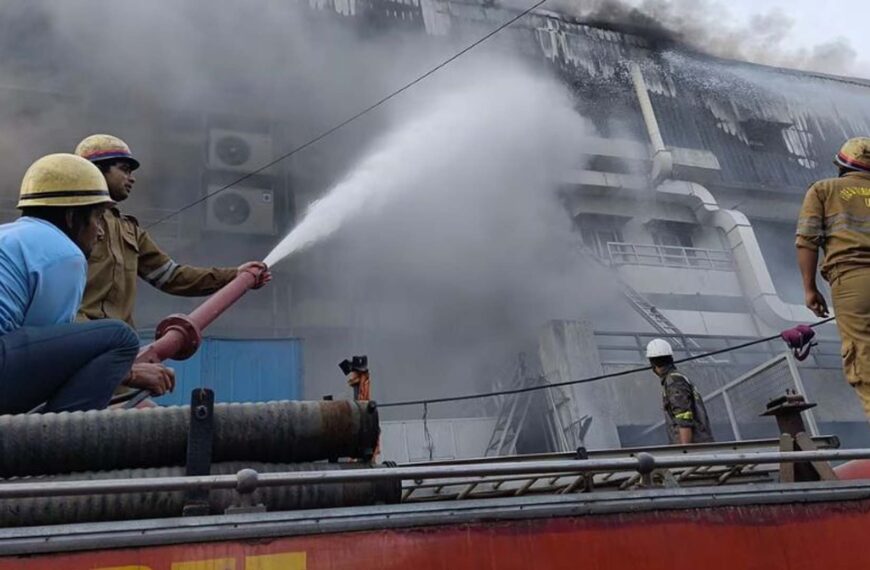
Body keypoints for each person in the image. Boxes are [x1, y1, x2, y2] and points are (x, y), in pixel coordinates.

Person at [73, 134, 271, 396]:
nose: (131, 178)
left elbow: (173, 276)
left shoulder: (129, 230)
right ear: (95, 171)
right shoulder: (72, 221)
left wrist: (234, 275)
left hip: (118, 358)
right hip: (80, 355)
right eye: (124, 169)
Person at [0, 154, 140, 414]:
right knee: (122, 338)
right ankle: (55, 444)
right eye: (98, 217)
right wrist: (130, 373)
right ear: (72, 217)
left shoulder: (8, 235)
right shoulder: (65, 253)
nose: (100, 231)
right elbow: (52, 364)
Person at [796, 137, 870, 417]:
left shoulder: (824, 189)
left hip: (852, 280)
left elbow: (807, 241)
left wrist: (810, 289)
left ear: (841, 164)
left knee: (862, 358)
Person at [646, 339, 714, 444]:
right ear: (671, 358)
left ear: (653, 364)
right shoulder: (678, 379)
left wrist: (684, 452)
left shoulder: (673, 383)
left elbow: (684, 419)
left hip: (695, 450)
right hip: (701, 446)